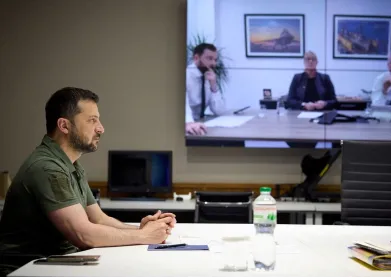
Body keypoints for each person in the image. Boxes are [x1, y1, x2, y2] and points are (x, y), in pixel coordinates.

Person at [0, 87, 177, 262]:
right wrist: (144, 236)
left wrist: (138, 231)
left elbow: (99, 219)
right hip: (27, 274)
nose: (101, 129)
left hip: (53, 265)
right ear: (64, 125)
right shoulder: (48, 168)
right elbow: (84, 235)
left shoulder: (71, 165)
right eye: (92, 120)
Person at [186, 43, 226, 122]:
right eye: (209, 58)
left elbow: (219, 111)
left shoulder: (209, 75)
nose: (213, 63)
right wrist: (190, 123)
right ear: (196, 58)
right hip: (187, 124)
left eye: (215, 60)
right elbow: (183, 109)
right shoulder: (185, 76)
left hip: (202, 122)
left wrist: (213, 87)